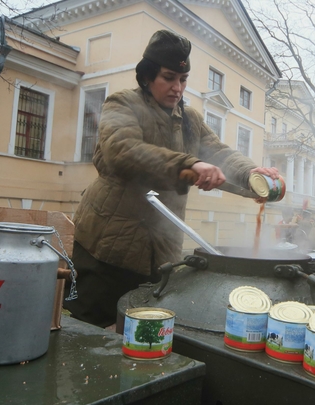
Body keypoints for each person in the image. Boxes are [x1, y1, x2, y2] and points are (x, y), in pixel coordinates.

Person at [64, 30, 279, 328]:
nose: (177, 88)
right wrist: (190, 165)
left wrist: (252, 174)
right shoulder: (121, 104)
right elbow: (122, 151)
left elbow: (220, 155)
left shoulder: (191, 120)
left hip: (160, 256)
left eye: (183, 79)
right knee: (86, 332)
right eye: (168, 78)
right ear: (147, 77)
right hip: (105, 250)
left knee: (143, 335)